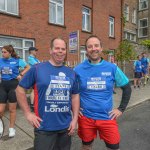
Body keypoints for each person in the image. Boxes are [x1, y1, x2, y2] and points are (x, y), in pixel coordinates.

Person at [15, 38, 80, 150]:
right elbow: (19, 90)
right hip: (44, 127)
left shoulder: (71, 73)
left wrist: (75, 120)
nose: (60, 51)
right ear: (50, 50)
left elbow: (75, 96)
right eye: (57, 48)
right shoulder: (37, 68)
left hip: (65, 127)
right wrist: (28, 113)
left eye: (63, 49)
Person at [74, 35, 132, 150]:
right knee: (86, 146)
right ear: (86, 50)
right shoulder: (78, 69)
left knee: (114, 147)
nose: (93, 48)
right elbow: (71, 91)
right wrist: (74, 108)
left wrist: (121, 109)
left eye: (96, 45)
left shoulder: (112, 68)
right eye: (90, 46)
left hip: (107, 117)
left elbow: (127, 87)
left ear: (101, 48)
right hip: (86, 118)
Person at [0, 45, 30, 137]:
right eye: (2, 52)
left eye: (4, 52)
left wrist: (21, 74)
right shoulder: (0, 60)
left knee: (12, 109)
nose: (3, 53)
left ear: (10, 52)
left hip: (13, 86)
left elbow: (28, 67)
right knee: (1, 110)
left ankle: (11, 128)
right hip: (3, 85)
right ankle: (0, 126)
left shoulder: (17, 60)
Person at [28, 47, 40, 112]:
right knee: (33, 90)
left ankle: (33, 103)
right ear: (31, 51)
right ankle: (32, 104)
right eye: (35, 50)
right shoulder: (30, 58)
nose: (36, 52)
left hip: (37, 75)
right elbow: (37, 65)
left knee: (35, 89)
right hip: (33, 76)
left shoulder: (35, 58)